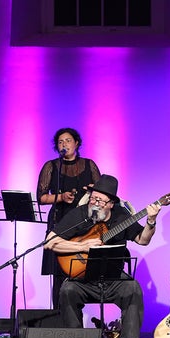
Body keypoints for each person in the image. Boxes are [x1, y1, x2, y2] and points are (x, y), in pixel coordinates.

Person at [44, 174, 161, 338]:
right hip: (83, 278)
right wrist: (82, 246)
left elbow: (143, 240)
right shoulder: (80, 214)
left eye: (100, 200)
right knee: (67, 289)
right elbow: (50, 242)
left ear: (110, 204)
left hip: (113, 278)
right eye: (93, 198)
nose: (94, 203)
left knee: (133, 288)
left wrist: (151, 221)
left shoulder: (122, 217)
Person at [37, 127, 102, 309]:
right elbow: (41, 197)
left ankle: (77, 318)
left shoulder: (89, 165)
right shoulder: (51, 166)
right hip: (60, 220)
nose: (64, 144)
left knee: (80, 268)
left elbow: (102, 193)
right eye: (60, 142)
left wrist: (92, 191)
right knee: (59, 271)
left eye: (67, 140)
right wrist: (61, 197)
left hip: (84, 223)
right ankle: (58, 317)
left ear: (76, 143)